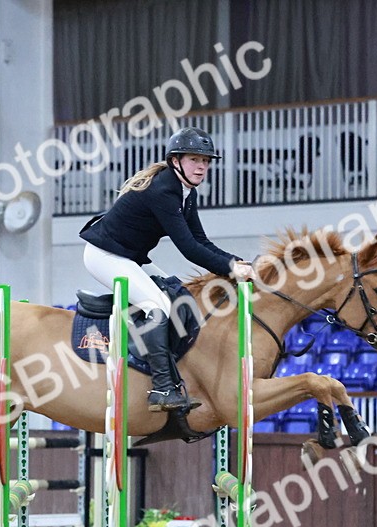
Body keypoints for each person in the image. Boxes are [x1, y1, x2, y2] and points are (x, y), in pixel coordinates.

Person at [80, 126, 253, 413]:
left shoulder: (185, 192)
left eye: (206, 161)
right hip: (104, 256)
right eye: (195, 160)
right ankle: (162, 388)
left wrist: (237, 262)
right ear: (176, 161)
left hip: (127, 256)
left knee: (176, 296)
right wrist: (232, 268)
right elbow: (188, 248)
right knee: (157, 306)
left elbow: (201, 240)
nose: (202, 167)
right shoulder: (164, 190)